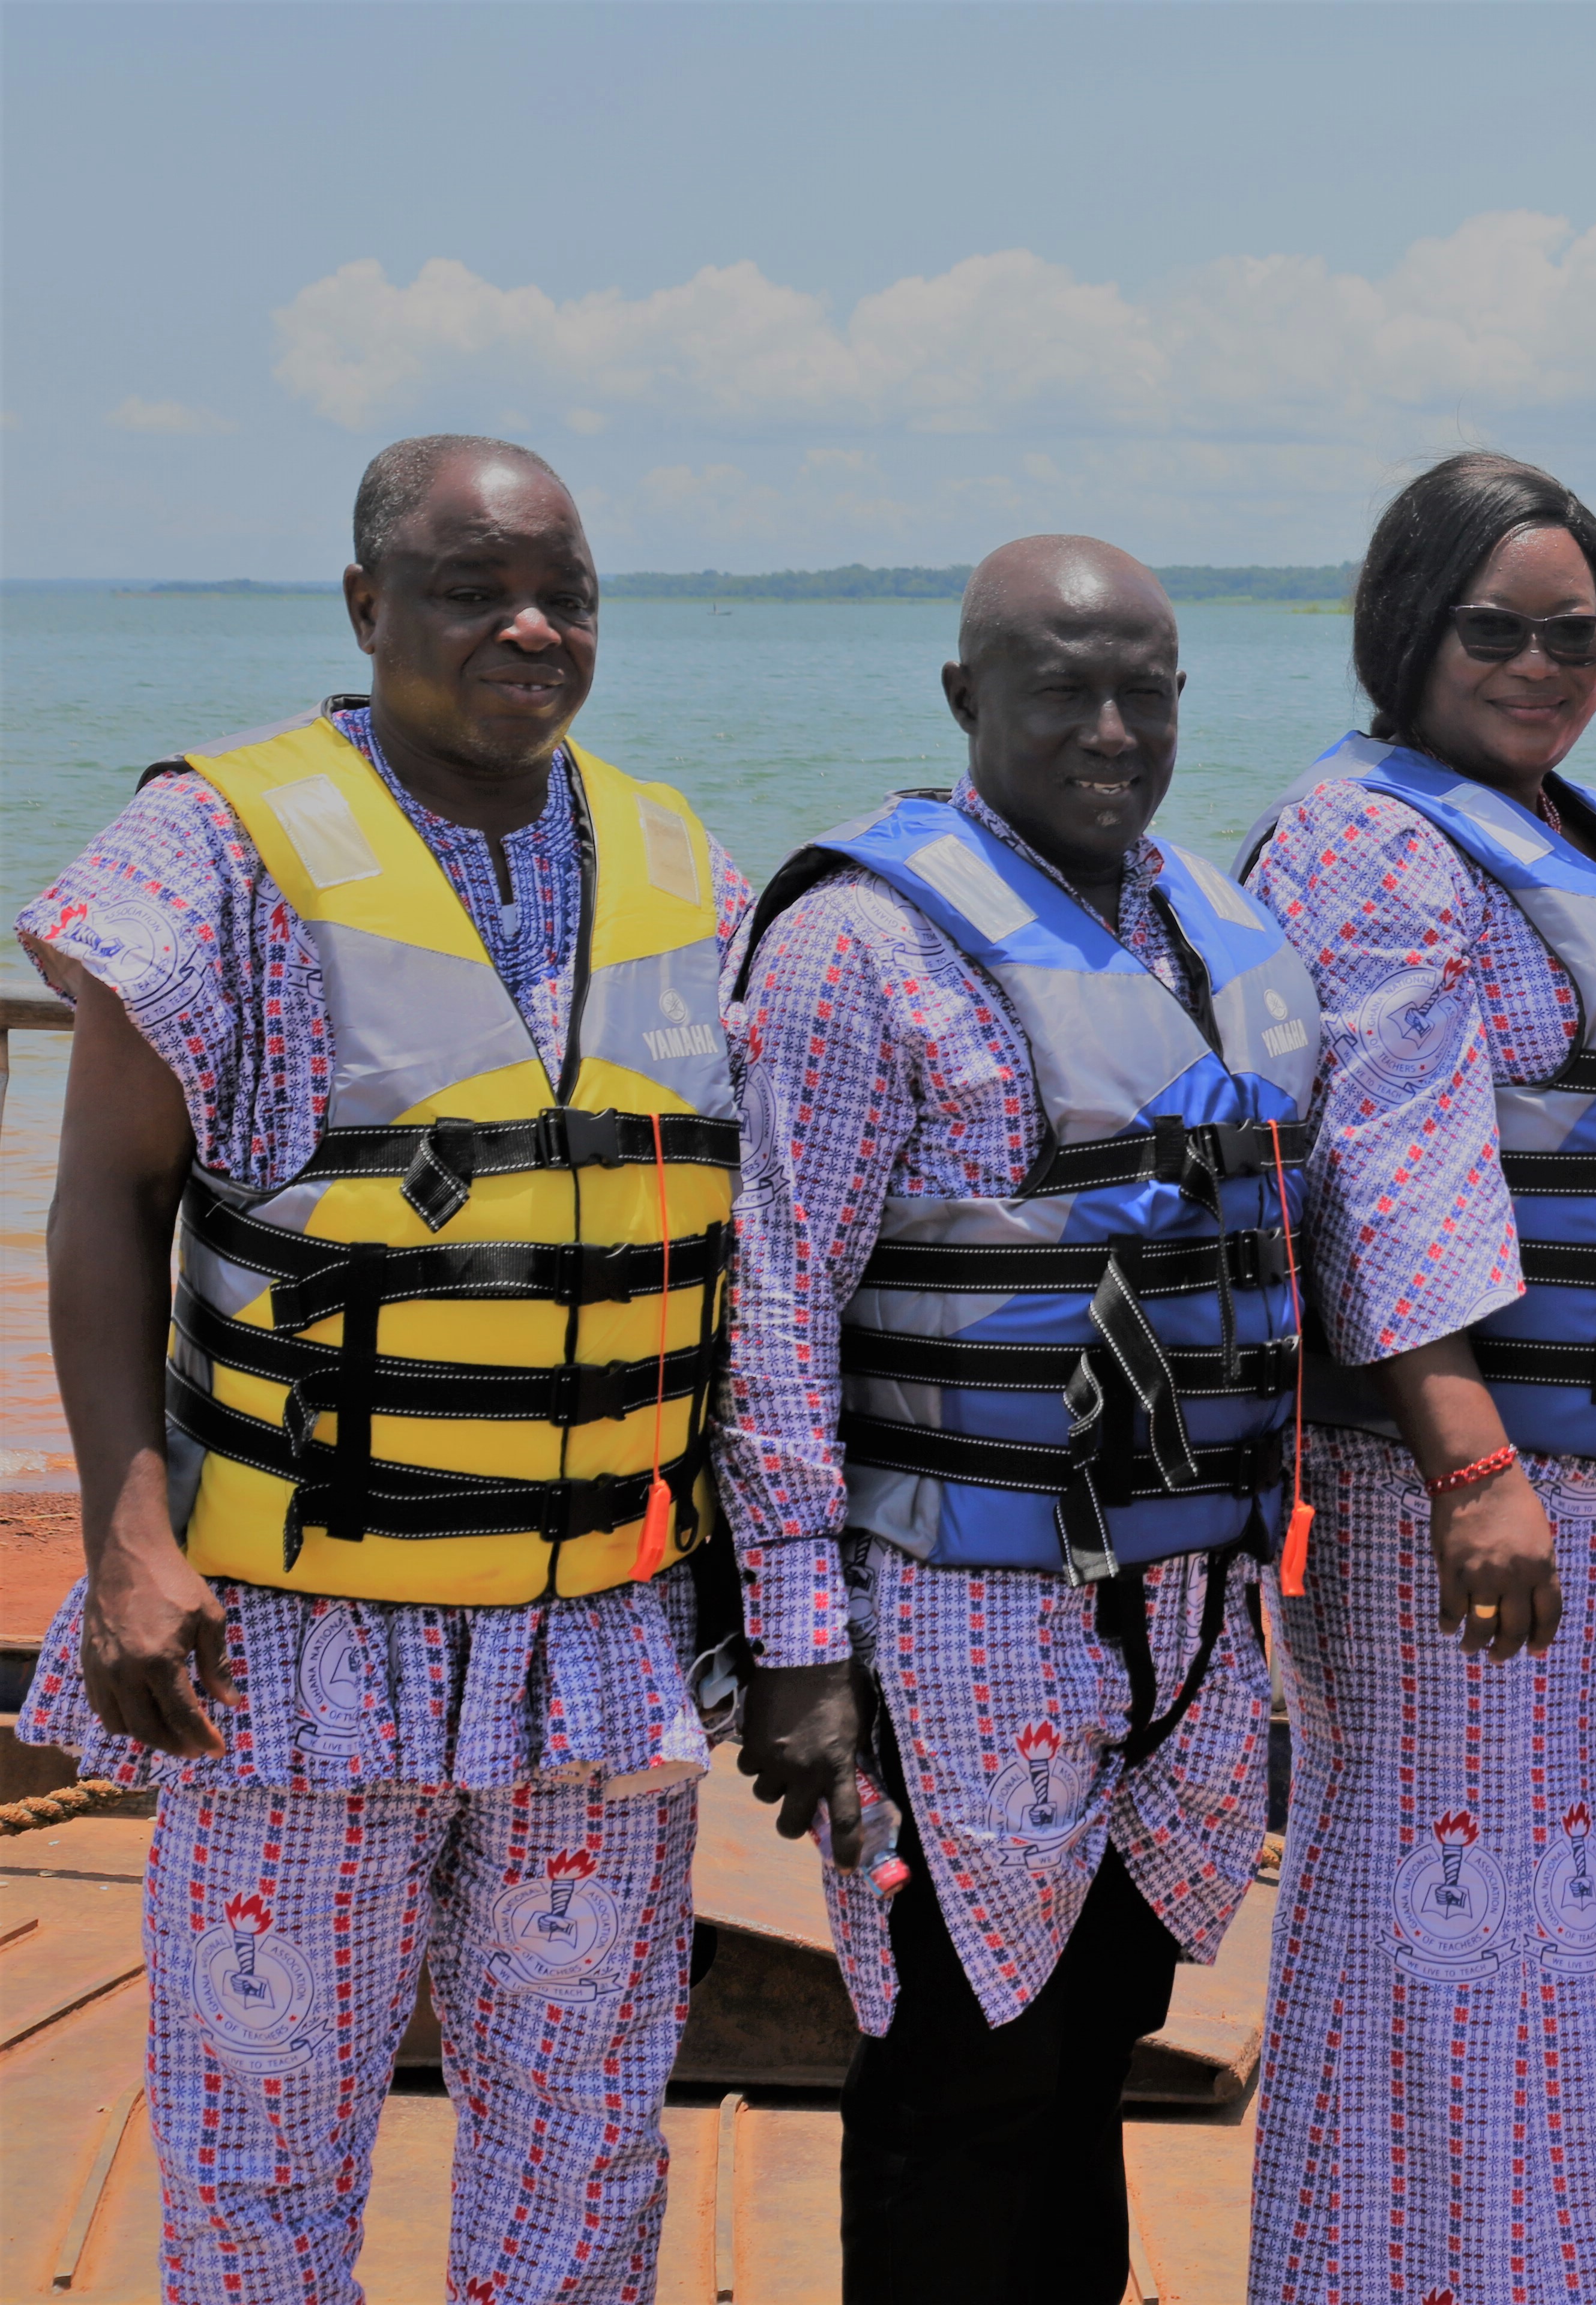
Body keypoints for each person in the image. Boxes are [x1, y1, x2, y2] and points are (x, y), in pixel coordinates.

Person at [18, 435, 740, 2303]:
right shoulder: (214, 851)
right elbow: (104, 1207)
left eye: (567, 594)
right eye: (470, 587)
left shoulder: (680, 860)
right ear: (364, 607)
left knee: (584, 2167)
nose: (530, 626)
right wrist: (126, 1538)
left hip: (592, 1634)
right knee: (264, 2156)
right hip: (296, 1635)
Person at [719, 538, 1302, 2304]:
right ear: (967, 696)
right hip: (961, 1617)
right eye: (1063, 687)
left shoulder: (1218, 929)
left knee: (1102, 2035)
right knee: (959, 2062)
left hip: (1191, 1620)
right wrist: (801, 1649)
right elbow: (775, 1319)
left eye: (1147, 689)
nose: (1111, 727)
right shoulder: (853, 952)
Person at [1233, 451, 1596, 2303]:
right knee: (1433, 1878)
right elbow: (1385, 1162)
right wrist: (1474, 1469)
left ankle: (1565, 2259)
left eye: (1578, 634)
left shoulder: (1571, 822)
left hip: (1591, 1475)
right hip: (1450, 1482)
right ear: (1406, 628)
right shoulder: (1370, 840)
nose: (1542, 665)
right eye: (1496, 631)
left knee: (1558, 1892)